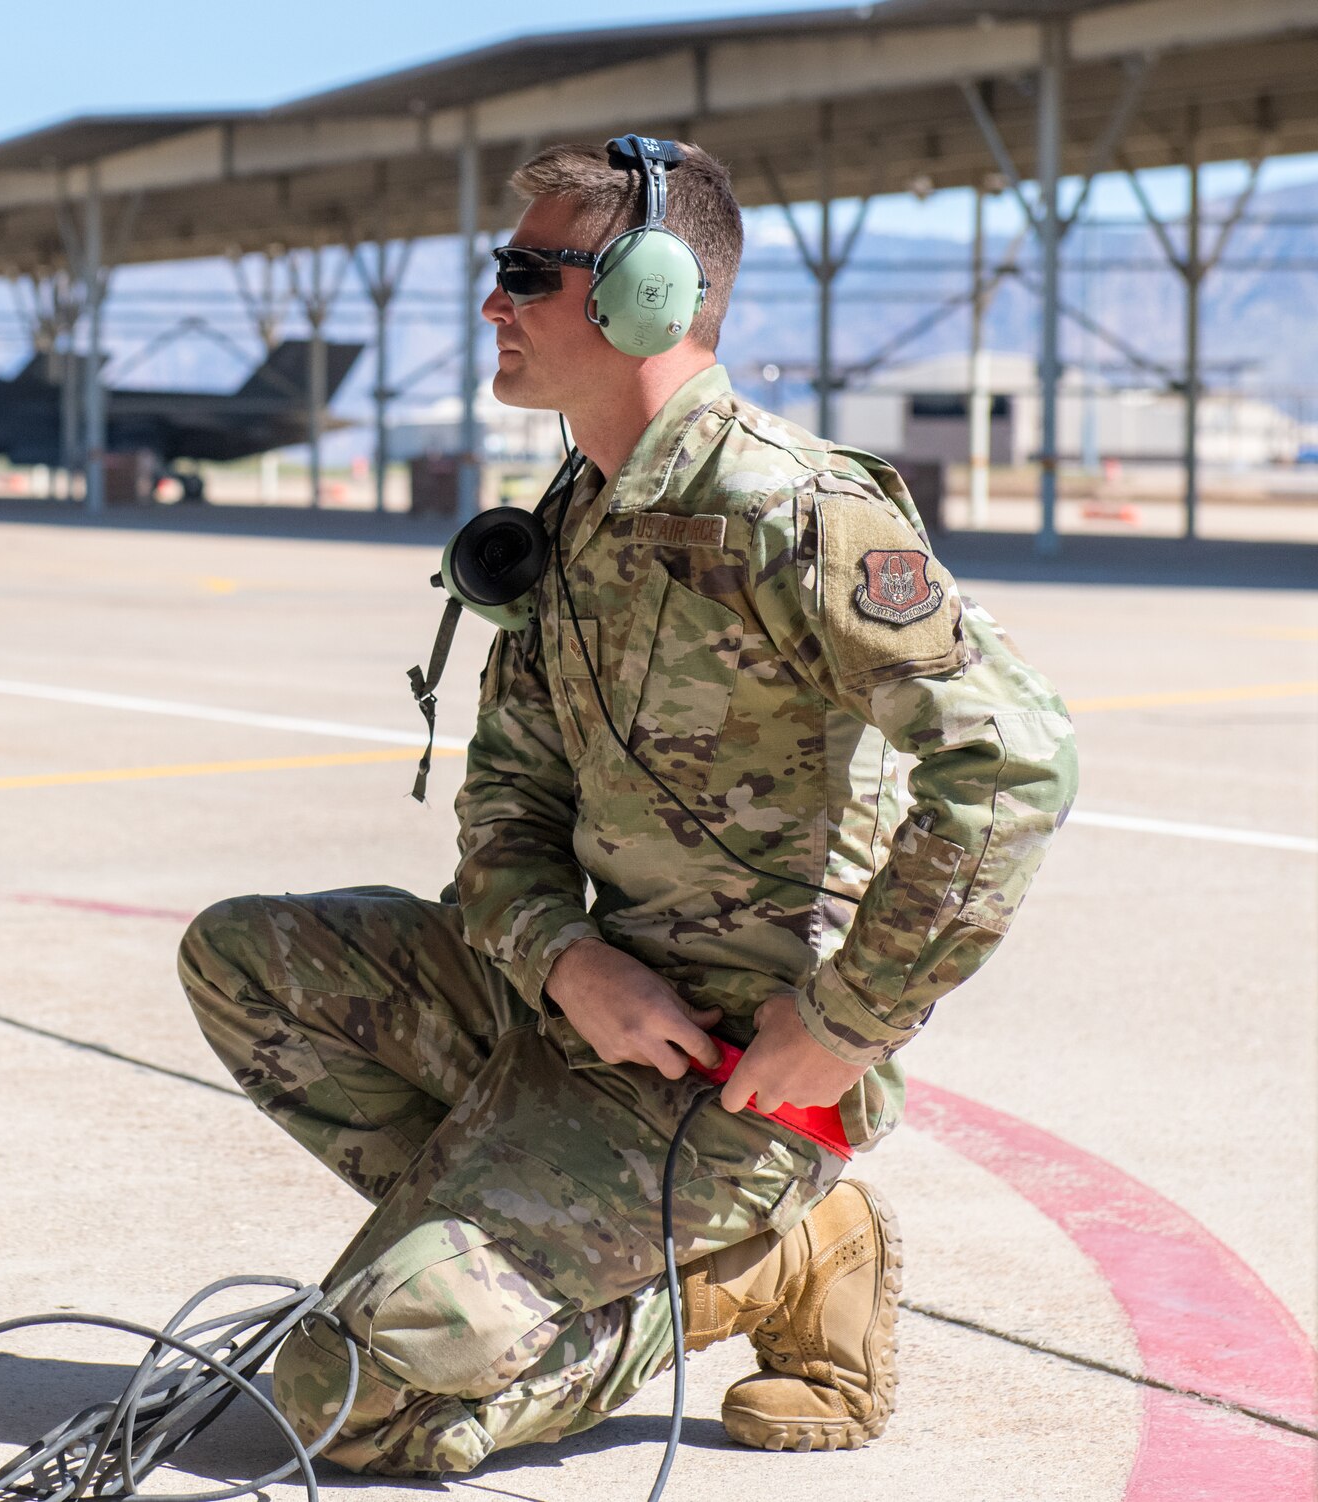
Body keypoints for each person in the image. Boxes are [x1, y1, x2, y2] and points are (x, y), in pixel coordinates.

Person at [179, 140, 1077, 1476]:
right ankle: (524, 1243)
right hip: (587, 1017)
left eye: (526, 274)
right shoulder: (577, 522)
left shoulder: (791, 515)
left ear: (645, 296)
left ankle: (747, 1264)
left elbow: (1012, 766)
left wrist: (846, 1025)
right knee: (244, 960)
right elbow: (505, 817)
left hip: (738, 1078)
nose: (495, 303)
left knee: (333, 1396)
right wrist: (567, 957)